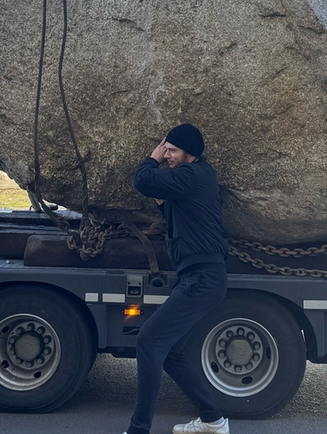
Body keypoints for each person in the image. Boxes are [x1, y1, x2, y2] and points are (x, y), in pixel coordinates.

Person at [122, 123, 231, 434]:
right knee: (170, 352)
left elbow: (142, 180)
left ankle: (138, 429)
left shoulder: (193, 174)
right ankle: (213, 421)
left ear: (189, 153)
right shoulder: (195, 178)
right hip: (197, 278)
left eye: (171, 149)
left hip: (203, 279)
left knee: (148, 340)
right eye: (164, 148)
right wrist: (163, 198)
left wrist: (152, 158)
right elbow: (174, 211)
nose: (166, 153)